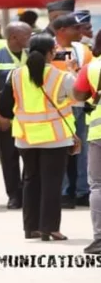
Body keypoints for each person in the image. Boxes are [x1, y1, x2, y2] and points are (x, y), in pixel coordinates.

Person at [0, 33, 76, 241]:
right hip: (55, 137)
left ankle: (31, 228)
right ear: (51, 52)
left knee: (30, 180)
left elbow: (4, 108)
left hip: (25, 137)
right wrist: (71, 71)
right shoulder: (61, 76)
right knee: (52, 182)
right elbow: (78, 98)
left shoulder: (15, 75)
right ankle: (49, 228)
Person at [0, 22, 32, 209]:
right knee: (9, 158)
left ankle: (28, 194)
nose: (30, 38)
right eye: (27, 35)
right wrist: (1, 115)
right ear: (13, 37)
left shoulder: (32, 56)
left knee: (29, 158)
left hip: (27, 117)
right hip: (5, 119)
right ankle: (14, 195)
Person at [51, 14, 93, 209]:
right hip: (58, 109)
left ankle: (82, 191)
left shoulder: (83, 50)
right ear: (61, 31)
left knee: (84, 151)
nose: (80, 32)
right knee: (63, 151)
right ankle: (64, 192)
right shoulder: (49, 49)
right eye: (75, 28)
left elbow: (90, 74)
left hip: (81, 106)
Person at [73, 58, 101, 254]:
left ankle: (100, 240)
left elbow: (78, 95)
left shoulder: (92, 67)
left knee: (98, 185)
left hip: (100, 133)